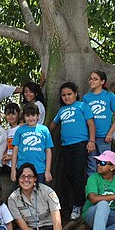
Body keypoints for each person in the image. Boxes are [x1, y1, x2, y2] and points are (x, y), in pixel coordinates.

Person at [7, 163, 86, 230]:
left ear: (35, 178)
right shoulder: (13, 199)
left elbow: (57, 222)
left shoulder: (47, 192)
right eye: (23, 176)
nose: (26, 180)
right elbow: (25, 228)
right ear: (18, 179)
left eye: (30, 176)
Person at [49, 81, 96, 220]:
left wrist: (91, 141)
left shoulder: (82, 106)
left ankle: (79, 204)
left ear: (76, 94)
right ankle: (70, 204)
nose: (66, 97)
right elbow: (53, 124)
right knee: (68, 174)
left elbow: (91, 124)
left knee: (78, 174)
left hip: (80, 145)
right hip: (65, 146)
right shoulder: (61, 110)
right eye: (63, 95)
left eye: (69, 94)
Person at [82, 70, 115, 176]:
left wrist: (110, 133)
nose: (92, 81)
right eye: (90, 79)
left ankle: (105, 190)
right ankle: (92, 190)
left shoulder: (109, 96)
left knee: (105, 165)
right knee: (91, 165)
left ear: (102, 81)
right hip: (91, 138)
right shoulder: (86, 98)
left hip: (104, 138)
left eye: (95, 79)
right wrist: (90, 139)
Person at [10, 103, 53, 184]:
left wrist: (47, 171)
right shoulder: (20, 130)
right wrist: (13, 170)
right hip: (22, 168)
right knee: (23, 193)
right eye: (27, 115)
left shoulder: (44, 130)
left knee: (39, 193)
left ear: (38, 116)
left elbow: (48, 150)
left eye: (33, 115)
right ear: (24, 117)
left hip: (40, 169)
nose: (30, 118)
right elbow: (15, 150)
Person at [2, 103, 21, 172]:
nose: (10, 116)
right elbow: (8, 147)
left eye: (13, 114)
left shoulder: (20, 129)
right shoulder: (7, 131)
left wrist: (11, 157)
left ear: (18, 114)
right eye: (8, 114)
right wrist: (5, 156)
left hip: (19, 164)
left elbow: (22, 149)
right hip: (9, 164)